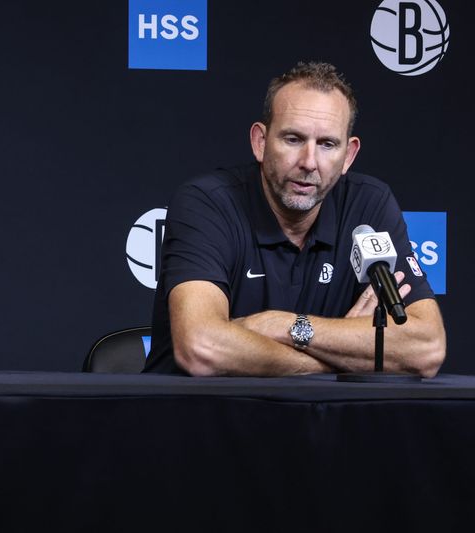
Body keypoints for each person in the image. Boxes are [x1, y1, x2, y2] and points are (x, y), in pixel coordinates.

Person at [145, 61, 445, 377]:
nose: (309, 162)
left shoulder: (369, 204)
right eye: (293, 139)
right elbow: (202, 348)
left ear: (349, 155)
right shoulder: (207, 202)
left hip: (314, 424)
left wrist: (286, 326)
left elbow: (427, 349)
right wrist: (341, 355)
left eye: (327, 144)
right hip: (196, 420)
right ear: (260, 142)